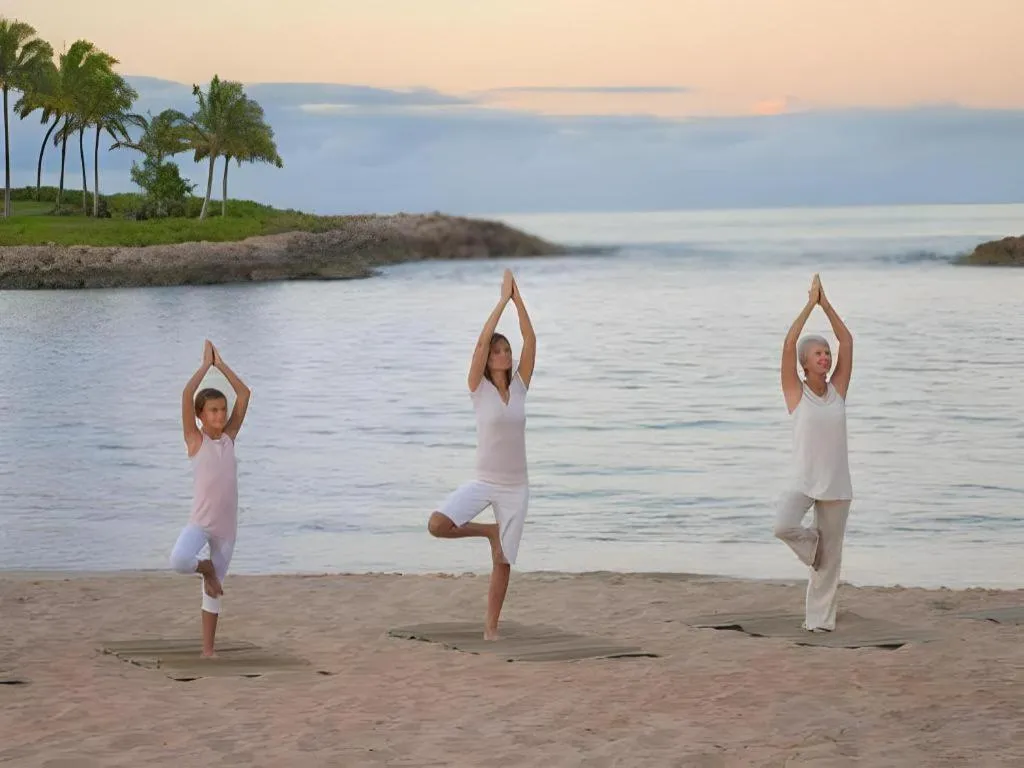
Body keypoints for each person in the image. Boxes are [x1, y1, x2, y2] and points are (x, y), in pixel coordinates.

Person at [428, 269, 536, 640]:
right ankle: (488, 531)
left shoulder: (520, 387)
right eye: (498, 351)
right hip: (484, 481)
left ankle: (490, 628)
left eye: (507, 351)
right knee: (438, 525)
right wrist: (501, 301)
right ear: (488, 360)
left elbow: (531, 338)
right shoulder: (478, 389)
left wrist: (518, 299)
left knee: (503, 561)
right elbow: (479, 344)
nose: (504, 355)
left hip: (516, 487)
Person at [774, 273, 853, 632]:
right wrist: (809, 305)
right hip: (804, 479)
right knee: (784, 525)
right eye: (818, 354)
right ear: (805, 364)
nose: (826, 357)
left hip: (836, 484)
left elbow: (847, 341)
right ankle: (812, 547)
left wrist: (827, 304)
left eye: (827, 353)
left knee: (830, 563)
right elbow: (788, 345)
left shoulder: (837, 389)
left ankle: (819, 623)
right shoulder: (796, 392)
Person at [169, 340, 251, 657]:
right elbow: (186, 396)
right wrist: (205, 366)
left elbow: (244, 394)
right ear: (200, 415)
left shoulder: (229, 439)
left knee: (214, 593)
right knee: (178, 560)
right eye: (213, 410)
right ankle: (205, 568)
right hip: (201, 524)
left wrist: (222, 364)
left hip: (226, 529)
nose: (220, 415)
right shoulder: (195, 440)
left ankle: (208, 650)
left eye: (222, 410)